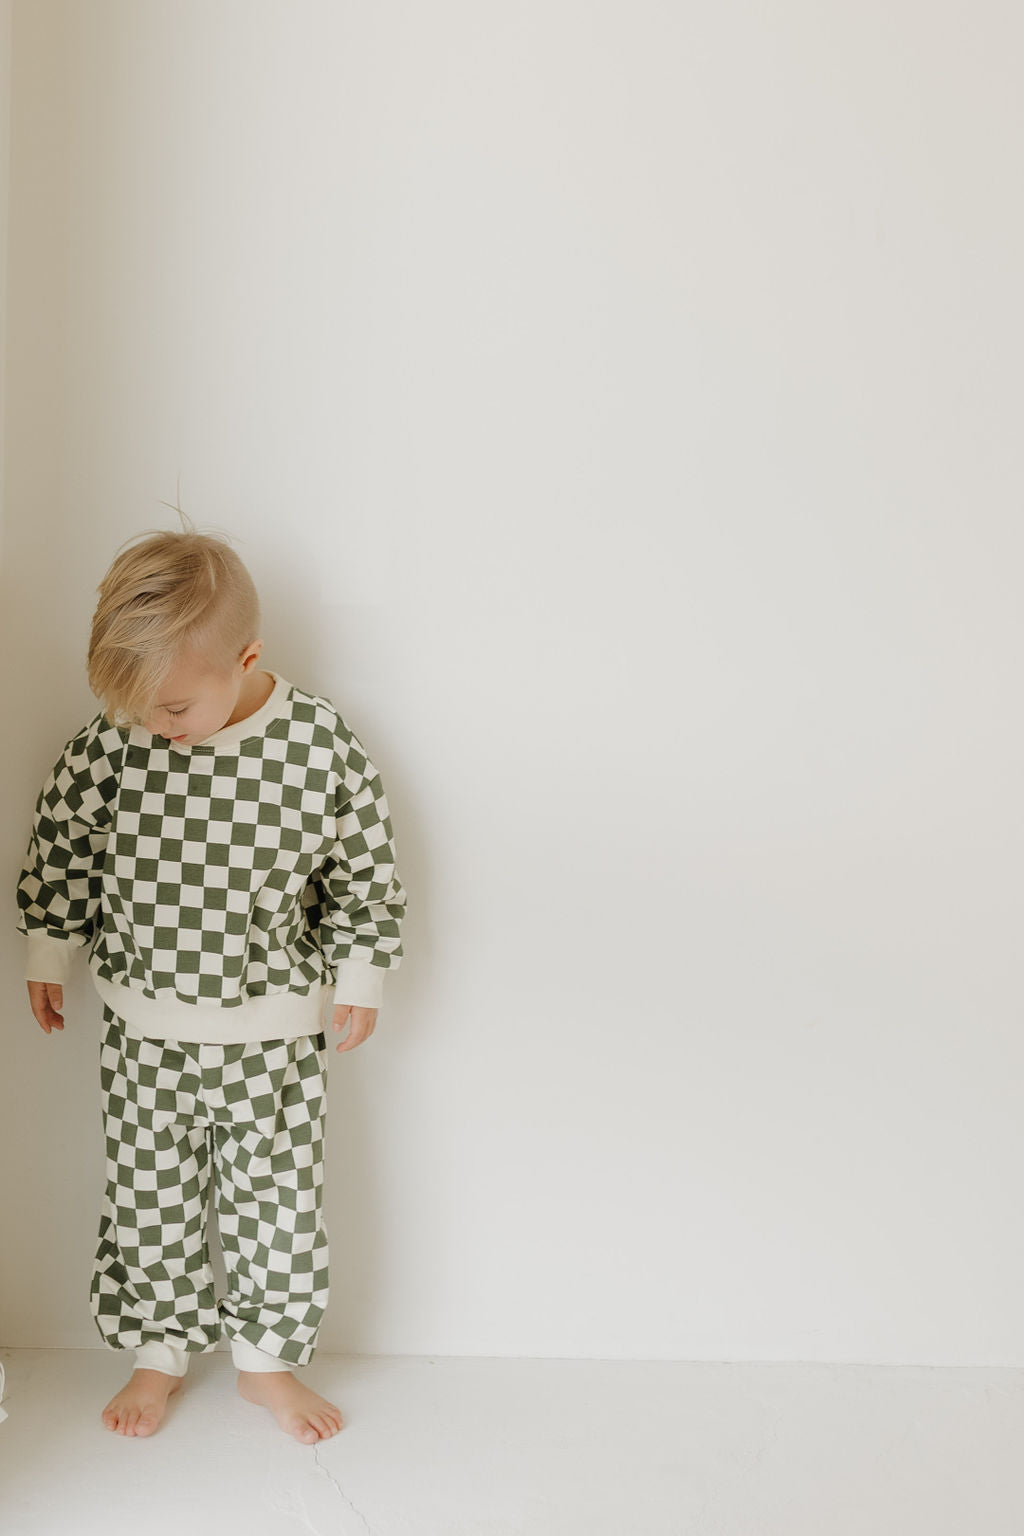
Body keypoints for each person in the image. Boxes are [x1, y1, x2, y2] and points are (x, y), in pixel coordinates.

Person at [14, 514, 408, 1443]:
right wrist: (47, 949)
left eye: (176, 710)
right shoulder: (112, 744)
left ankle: (267, 1365)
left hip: (272, 1036)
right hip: (144, 1034)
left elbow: (364, 868)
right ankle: (160, 1350)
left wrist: (361, 974)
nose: (158, 727)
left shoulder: (316, 747)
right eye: (138, 709)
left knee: (279, 1206)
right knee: (149, 1199)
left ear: (247, 657)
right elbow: (62, 850)